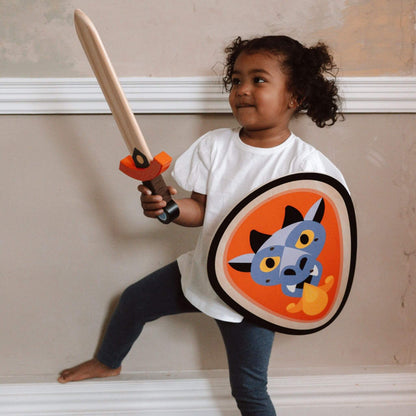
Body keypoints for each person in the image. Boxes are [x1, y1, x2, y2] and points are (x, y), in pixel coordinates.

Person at [58, 35, 347, 416]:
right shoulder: (215, 146)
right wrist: (169, 208)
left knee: (248, 389)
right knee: (133, 301)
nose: (243, 90)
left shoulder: (309, 169)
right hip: (201, 271)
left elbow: (317, 244)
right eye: (237, 80)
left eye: (258, 80)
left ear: (295, 96)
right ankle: (109, 361)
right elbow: (200, 209)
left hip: (252, 297)